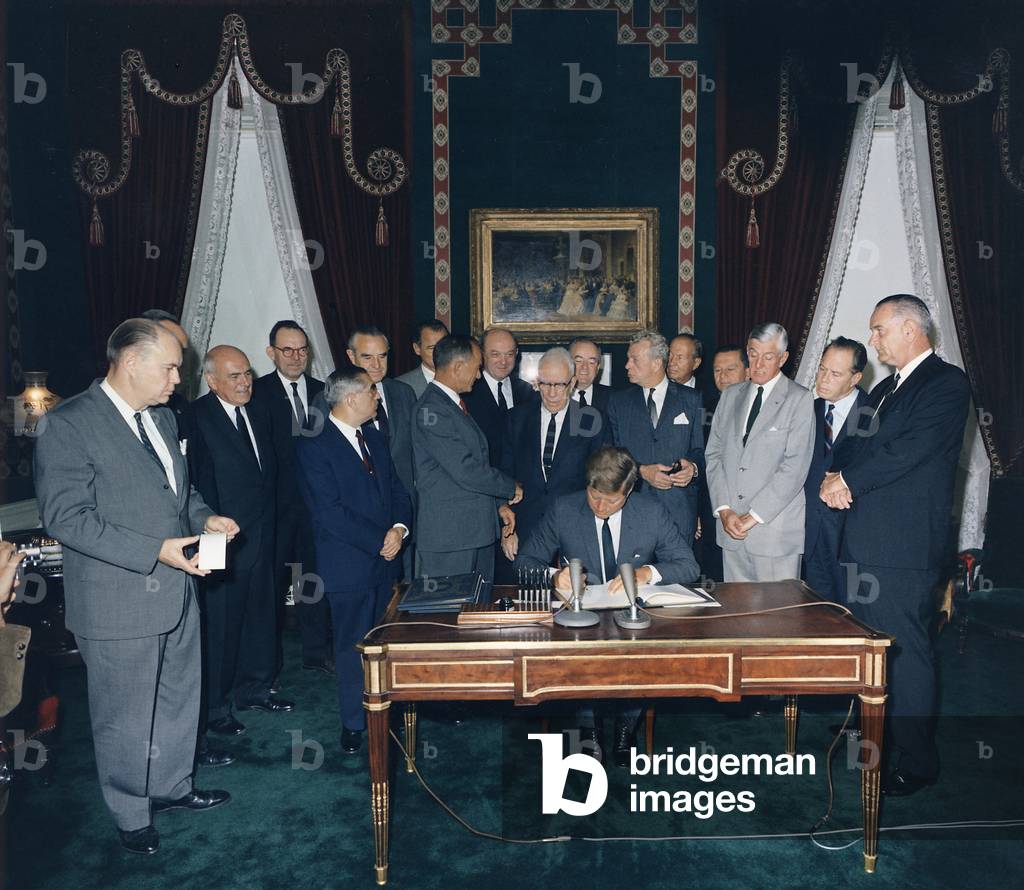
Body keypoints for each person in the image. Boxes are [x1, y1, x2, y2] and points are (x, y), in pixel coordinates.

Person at [33, 318, 238, 855]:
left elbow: (180, 497)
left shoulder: (166, 420)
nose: (178, 377)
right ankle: (130, 812)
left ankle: (171, 787)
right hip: (116, 600)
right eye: (170, 366)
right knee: (124, 715)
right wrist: (155, 550)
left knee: (177, 698)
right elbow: (67, 518)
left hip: (176, 592)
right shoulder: (69, 423)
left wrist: (207, 518)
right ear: (131, 362)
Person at [822, 295, 969, 797]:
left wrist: (847, 481)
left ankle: (918, 759)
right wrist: (833, 471)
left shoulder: (946, 384)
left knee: (906, 654)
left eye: (879, 329)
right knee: (870, 650)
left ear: (911, 329)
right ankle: (873, 738)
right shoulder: (885, 386)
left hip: (904, 548)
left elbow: (907, 452)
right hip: (863, 540)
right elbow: (856, 445)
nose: (874, 340)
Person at [516, 446, 699, 765]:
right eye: (594, 496)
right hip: (580, 618)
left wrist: (648, 573)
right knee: (579, 653)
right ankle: (589, 729)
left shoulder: (651, 512)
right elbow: (524, 563)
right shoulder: (564, 508)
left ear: (628, 492)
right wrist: (554, 575)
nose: (600, 507)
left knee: (642, 651)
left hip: (632, 617)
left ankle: (627, 727)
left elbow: (688, 565)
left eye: (611, 500)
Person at [295, 367, 412, 755]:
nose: (378, 397)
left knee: (387, 644)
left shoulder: (375, 436)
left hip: (386, 562)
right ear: (350, 399)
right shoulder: (315, 445)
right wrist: (380, 539)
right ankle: (354, 722)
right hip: (347, 567)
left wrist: (398, 529)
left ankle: (387, 711)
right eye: (371, 392)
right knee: (352, 647)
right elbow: (328, 512)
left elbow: (397, 489)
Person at [191, 346, 293, 743]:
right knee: (221, 626)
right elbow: (200, 486)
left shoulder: (260, 410)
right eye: (233, 376)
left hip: (264, 536)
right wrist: (212, 546)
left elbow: (271, 475)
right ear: (212, 380)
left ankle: (255, 689)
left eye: (247, 373)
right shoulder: (198, 418)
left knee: (262, 617)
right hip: (224, 541)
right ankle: (216, 708)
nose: (244, 382)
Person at [705, 323, 815, 582]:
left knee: (777, 618)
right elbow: (714, 455)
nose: (758, 364)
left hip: (773, 532)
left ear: (783, 358)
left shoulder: (800, 399)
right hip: (730, 528)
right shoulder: (731, 395)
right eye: (753, 354)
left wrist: (752, 517)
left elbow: (795, 468)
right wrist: (724, 509)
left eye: (768, 356)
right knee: (737, 616)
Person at [251, 320, 331, 675]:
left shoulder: (323, 391)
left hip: (315, 510)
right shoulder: (256, 392)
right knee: (271, 588)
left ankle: (317, 652)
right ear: (271, 353)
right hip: (275, 512)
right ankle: (267, 664)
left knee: (312, 582)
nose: (297, 357)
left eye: (302, 349)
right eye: (288, 350)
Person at [411, 334, 522, 583]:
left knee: (476, 611)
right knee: (448, 615)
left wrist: (497, 505)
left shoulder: (452, 405)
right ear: (458, 367)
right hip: (451, 538)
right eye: (476, 368)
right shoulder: (431, 410)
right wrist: (509, 487)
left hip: (474, 532)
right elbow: (465, 469)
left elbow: (474, 463)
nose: (479, 375)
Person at [499, 347, 607, 564]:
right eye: (545, 384)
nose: (551, 392)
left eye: (559, 384)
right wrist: (507, 527)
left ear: (573, 382)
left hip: (576, 528)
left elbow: (601, 480)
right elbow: (503, 473)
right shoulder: (516, 418)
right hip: (526, 529)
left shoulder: (591, 419)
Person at [607, 330, 705, 544]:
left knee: (679, 576)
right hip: (632, 510)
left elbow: (701, 450)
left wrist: (693, 468)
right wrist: (641, 471)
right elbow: (611, 454)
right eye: (628, 359)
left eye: (634, 359)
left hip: (679, 513)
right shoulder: (617, 402)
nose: (626, 365)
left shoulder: (692, 399)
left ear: (656, 363)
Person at [802, 337, 867, 602]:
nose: (824, 378)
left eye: (835, 373)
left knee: (851, 619)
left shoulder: (874, 413)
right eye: (822, 369)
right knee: (813, 614)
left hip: (853, 539)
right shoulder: (806, 410)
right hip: (809, 534)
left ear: (855, 378)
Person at [462, 327, 535, 468]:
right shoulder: (467, 392)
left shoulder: (527, 392)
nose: (503, 362)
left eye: (509, 354)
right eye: (496, 354)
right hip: (483, 479)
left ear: (517, 354)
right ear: (482, 354)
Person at [396, 319, 450, 398]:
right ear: (417, 349)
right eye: (432, 348)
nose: (440, 352)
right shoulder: (401, 387)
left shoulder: (465, 379)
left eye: (445, 346)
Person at [568, 338, 611, 412]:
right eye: (578, 361)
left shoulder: (612, 398)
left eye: (591, 362)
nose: (584, 367)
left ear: (597, 367)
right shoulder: (551, 396)